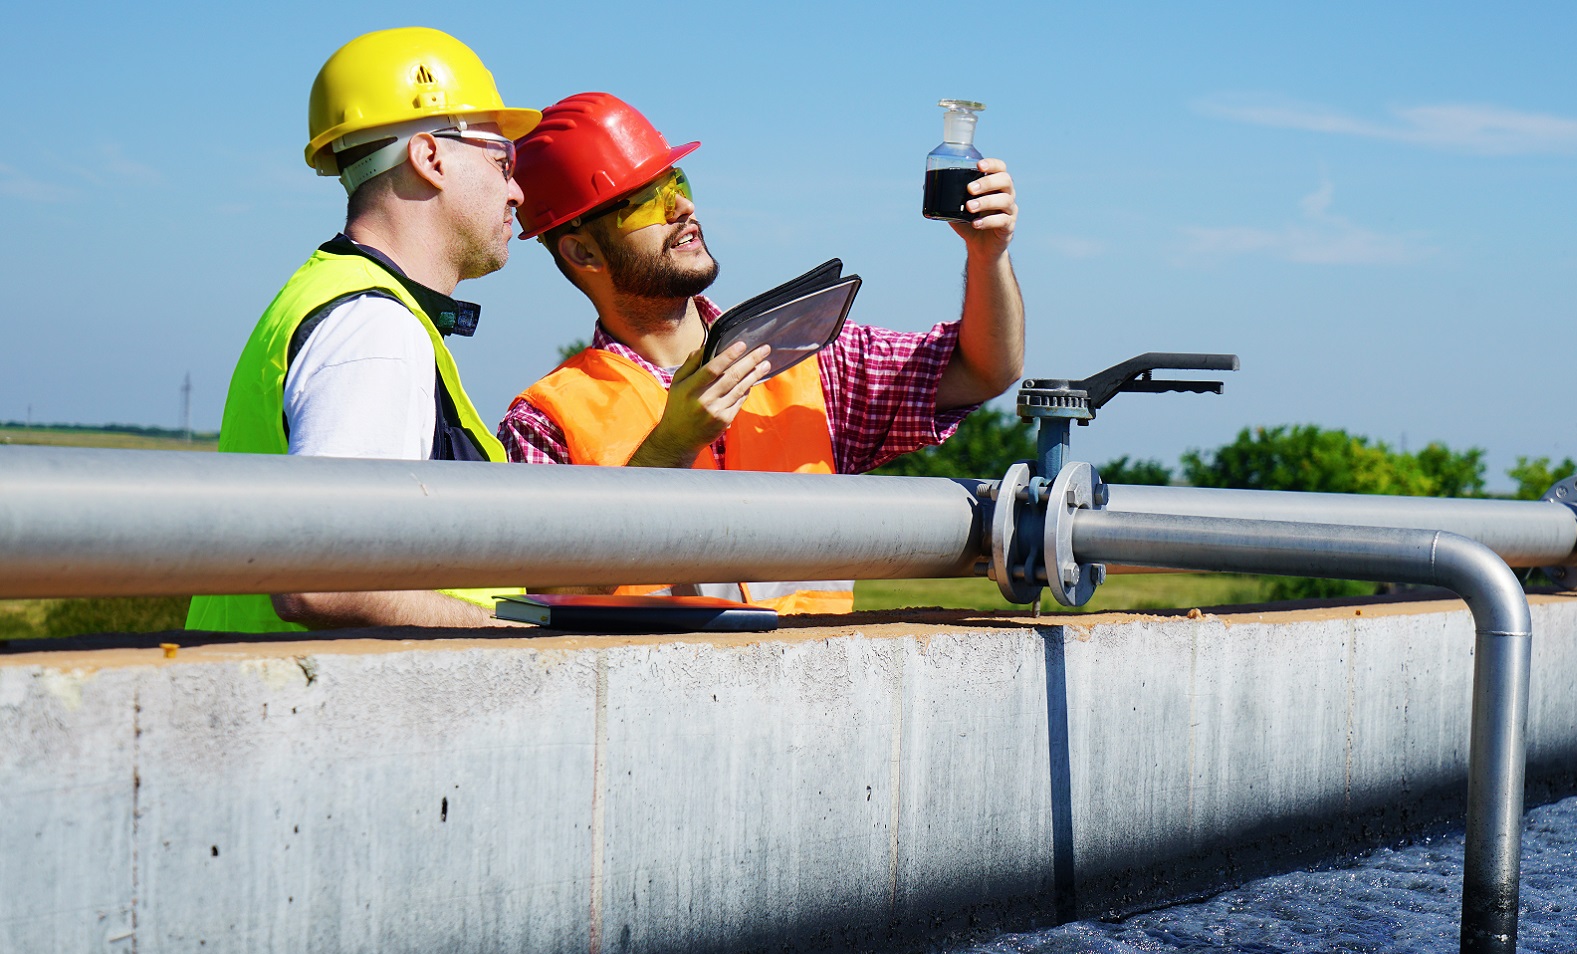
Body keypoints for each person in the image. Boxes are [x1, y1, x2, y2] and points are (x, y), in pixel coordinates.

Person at [497, 93, 1023, 613]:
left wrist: (988, 253)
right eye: (648, 200)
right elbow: (553, 598)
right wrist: (668, 449)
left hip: (814, 691)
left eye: (677, 182)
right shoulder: (544, 420)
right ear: (582, 251)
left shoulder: (807, 355)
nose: (685, 207)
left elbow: (982, 370)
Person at [186, 28, 539, 633]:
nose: (517, 190)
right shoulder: (372, 329)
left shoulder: (337, 299)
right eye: (501, 159)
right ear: (429, 157)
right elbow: (320, 580)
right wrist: (512, 644)